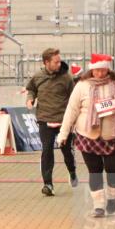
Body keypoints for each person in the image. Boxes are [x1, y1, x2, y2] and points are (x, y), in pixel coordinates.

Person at [57, 54, 115, 217]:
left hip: (114, 135)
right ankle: (98, 205)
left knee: (114, 171)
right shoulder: (82, 85)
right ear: (91, 70)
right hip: (88, 135)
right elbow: (71, 110)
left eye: (103, 70)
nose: (100, 74)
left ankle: (111, 199)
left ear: (108, 68)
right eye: (96, 71)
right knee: (94, 171)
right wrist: (63, 133)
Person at [25, 47, 78, 196]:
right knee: (47, 151)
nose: (59, 64)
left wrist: (74, 118)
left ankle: (72, 171)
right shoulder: (38, 76)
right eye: (56, 62)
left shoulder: (66, 78)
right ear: (46, 62)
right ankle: (48, 184)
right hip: (44, 119)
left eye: (59, 61)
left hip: (63, 121)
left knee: (67, 151)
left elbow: (74, 98)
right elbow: (31, 89)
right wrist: (30, 99)